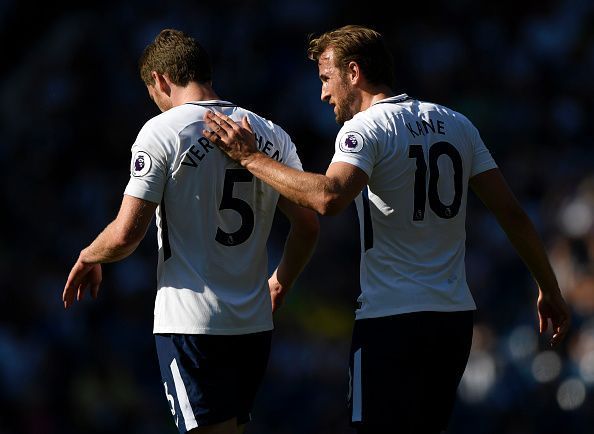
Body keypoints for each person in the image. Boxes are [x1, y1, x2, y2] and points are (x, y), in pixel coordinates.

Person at [202, 24, 571, 434]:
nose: (323, 93)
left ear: (353, 73)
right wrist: (548, 288)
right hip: (451, 321)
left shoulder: (366, 128)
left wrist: (250, 158)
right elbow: (513, 214)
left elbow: (329, 198)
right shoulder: (457, 124)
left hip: (391, 320)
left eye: (326, 79)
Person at [62, 29, 319, 434]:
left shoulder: (162, 131)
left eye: (153, 93)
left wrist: (89, 254)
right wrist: (281, 283)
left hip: (193, 323)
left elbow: (128, 234)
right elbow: (307, 223)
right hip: (253, 323)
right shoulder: (269, 132)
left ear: (161, 80)